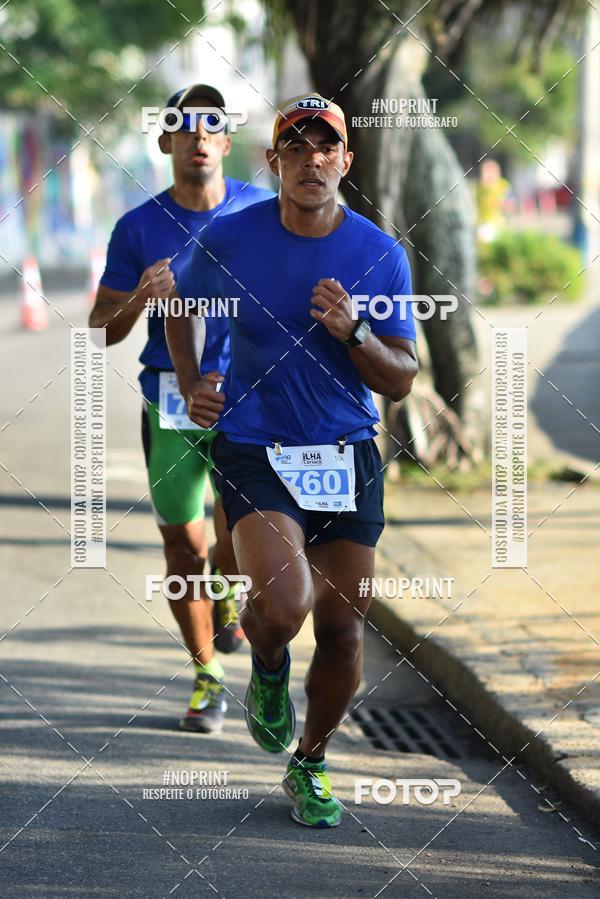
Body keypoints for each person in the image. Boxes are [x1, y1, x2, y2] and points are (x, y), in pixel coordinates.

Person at [166, 93, 418, 826]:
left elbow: (401, 374)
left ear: (346, 159)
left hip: (348, 452)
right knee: (285, 603)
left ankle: (309, 762)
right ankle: (268, 662)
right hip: (255, 447)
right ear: (273, 162)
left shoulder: (379, 253)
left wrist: (353, 333)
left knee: (342, 629)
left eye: (326, 147)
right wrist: (192, 385)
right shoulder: (228, 241)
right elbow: (178, 303)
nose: (313, 160)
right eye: (297, 148)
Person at [89, 84, 272, 734]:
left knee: (238, 545)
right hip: (168, 404)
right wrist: (141, 295)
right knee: (182, 546)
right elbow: (100, 328)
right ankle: (207, 677)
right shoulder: (138, 227)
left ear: (226, 140)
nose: (199, 136)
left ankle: (229, 599)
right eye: (185, 126)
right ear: (165, 140)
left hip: (245, 403)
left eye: (212, 125)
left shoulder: (264, 211)